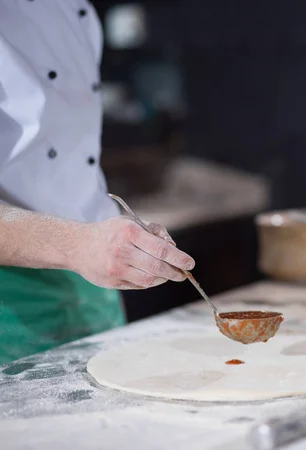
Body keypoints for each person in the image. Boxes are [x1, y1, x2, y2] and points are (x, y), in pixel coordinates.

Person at [0, 1, 195, 365]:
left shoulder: (76, 11)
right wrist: (77, 246)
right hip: (11, 306)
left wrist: (107, 243)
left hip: (95, 294)